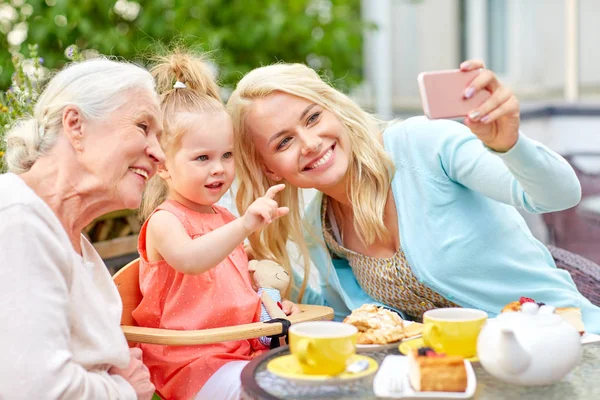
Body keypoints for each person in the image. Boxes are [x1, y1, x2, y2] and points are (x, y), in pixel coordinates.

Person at [226, 59, 600, 334]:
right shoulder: (320, 227)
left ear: (335, 111)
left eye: (312, 118)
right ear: (270, 168)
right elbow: (344, 318)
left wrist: (510, 145)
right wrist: (282, 302)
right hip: (456, 376)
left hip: (565, 343)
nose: (310, 144)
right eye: (284, 141)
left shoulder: (422, 145)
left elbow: (558, 195)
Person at [133, 51, 295, 400]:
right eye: (202, 158)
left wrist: (268, 305)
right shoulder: (165, 221)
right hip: (191, 361)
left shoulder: (221, 219)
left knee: (317, 375)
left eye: (227, 155)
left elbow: (231, 288)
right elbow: (192, 259)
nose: (219, 168)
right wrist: (245, 225)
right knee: (278, 390)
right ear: (162, 165)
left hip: (239, 352)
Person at [0, 58, 163, 398]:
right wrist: (123, 389)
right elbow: (37, 389)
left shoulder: (72, 240)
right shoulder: (18, 220)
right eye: (143, 127)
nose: (159, 153)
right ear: (75, 125)